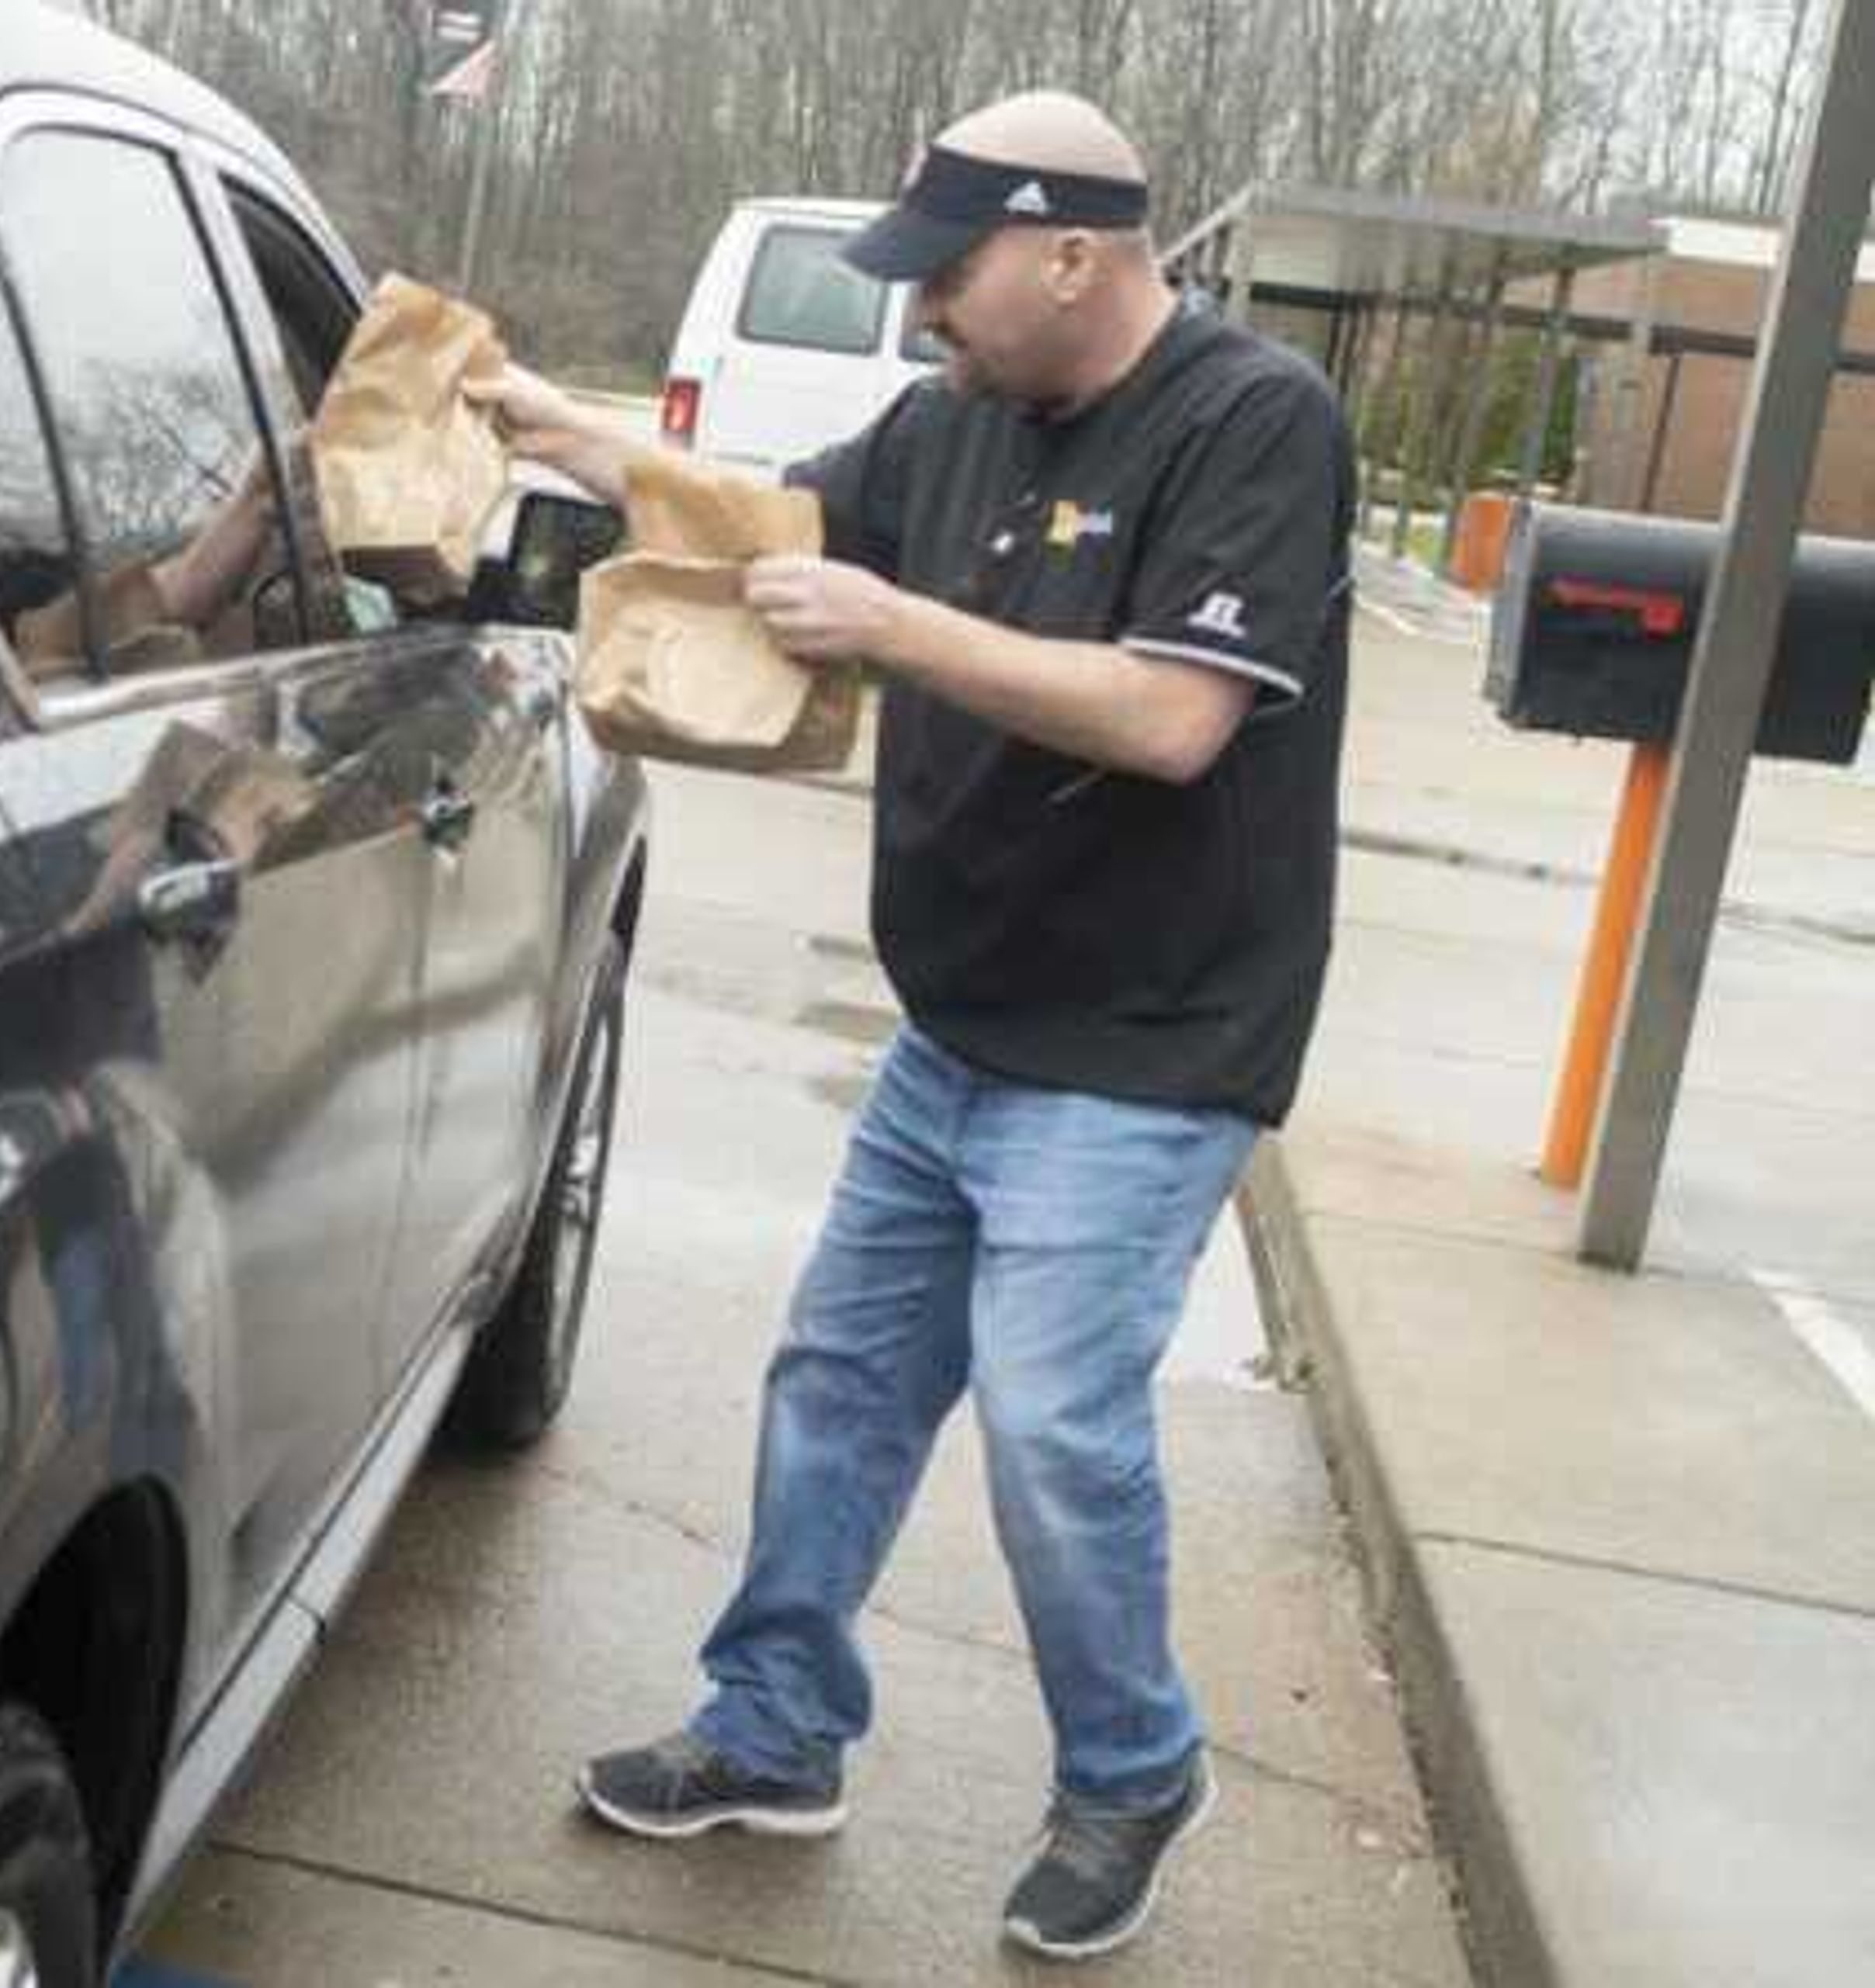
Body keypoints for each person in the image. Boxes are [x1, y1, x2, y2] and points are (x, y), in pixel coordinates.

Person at [477, 90, 1354, 1962]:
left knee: (1053, 1422)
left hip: (1149, 1041)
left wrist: (891, 622)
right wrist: (579, 442)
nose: (922, 313)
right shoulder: (956, 417)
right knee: (841, 1385)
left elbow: (1172, 717)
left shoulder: (1252, 419)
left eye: (944, 273)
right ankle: (778, 1730)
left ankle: (1133, 1774)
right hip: (959, 1023)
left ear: (1070, 252)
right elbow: (771, 525)